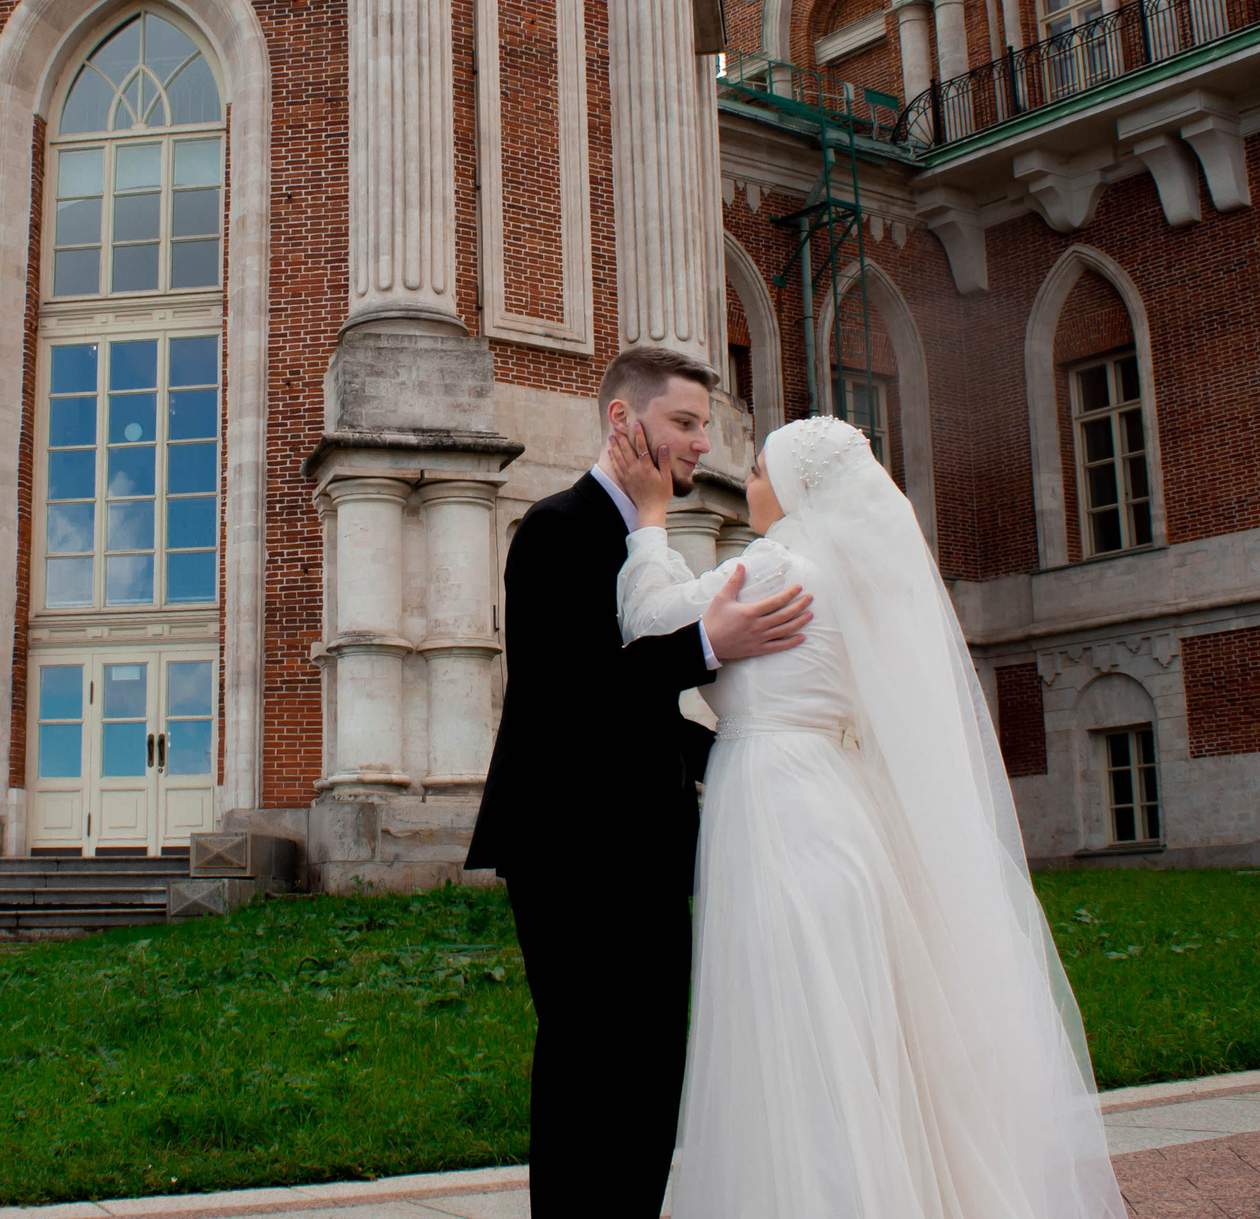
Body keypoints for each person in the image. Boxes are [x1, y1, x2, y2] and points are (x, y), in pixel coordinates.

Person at [610, 414, 1127, 1219]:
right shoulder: (862, 580)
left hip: (779, 808)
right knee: (845, 1028)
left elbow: (654, 618)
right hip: (838, 809)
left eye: (758, 470)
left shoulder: (779, 563)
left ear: (797, 487)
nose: (746, 482)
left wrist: (648, 523)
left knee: (791, 1030)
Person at [466, 346, 815, 1219]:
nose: (705, 444)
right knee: (591, 1078)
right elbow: (570, 696)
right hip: (570, 850)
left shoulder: (648, 540)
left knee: (653, 1082)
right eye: (686, 423)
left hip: (655, 853)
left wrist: (764, 761)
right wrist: (706, 647)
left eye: (706, 424)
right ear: (625, 423)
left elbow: (650, 720)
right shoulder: (553, 529)